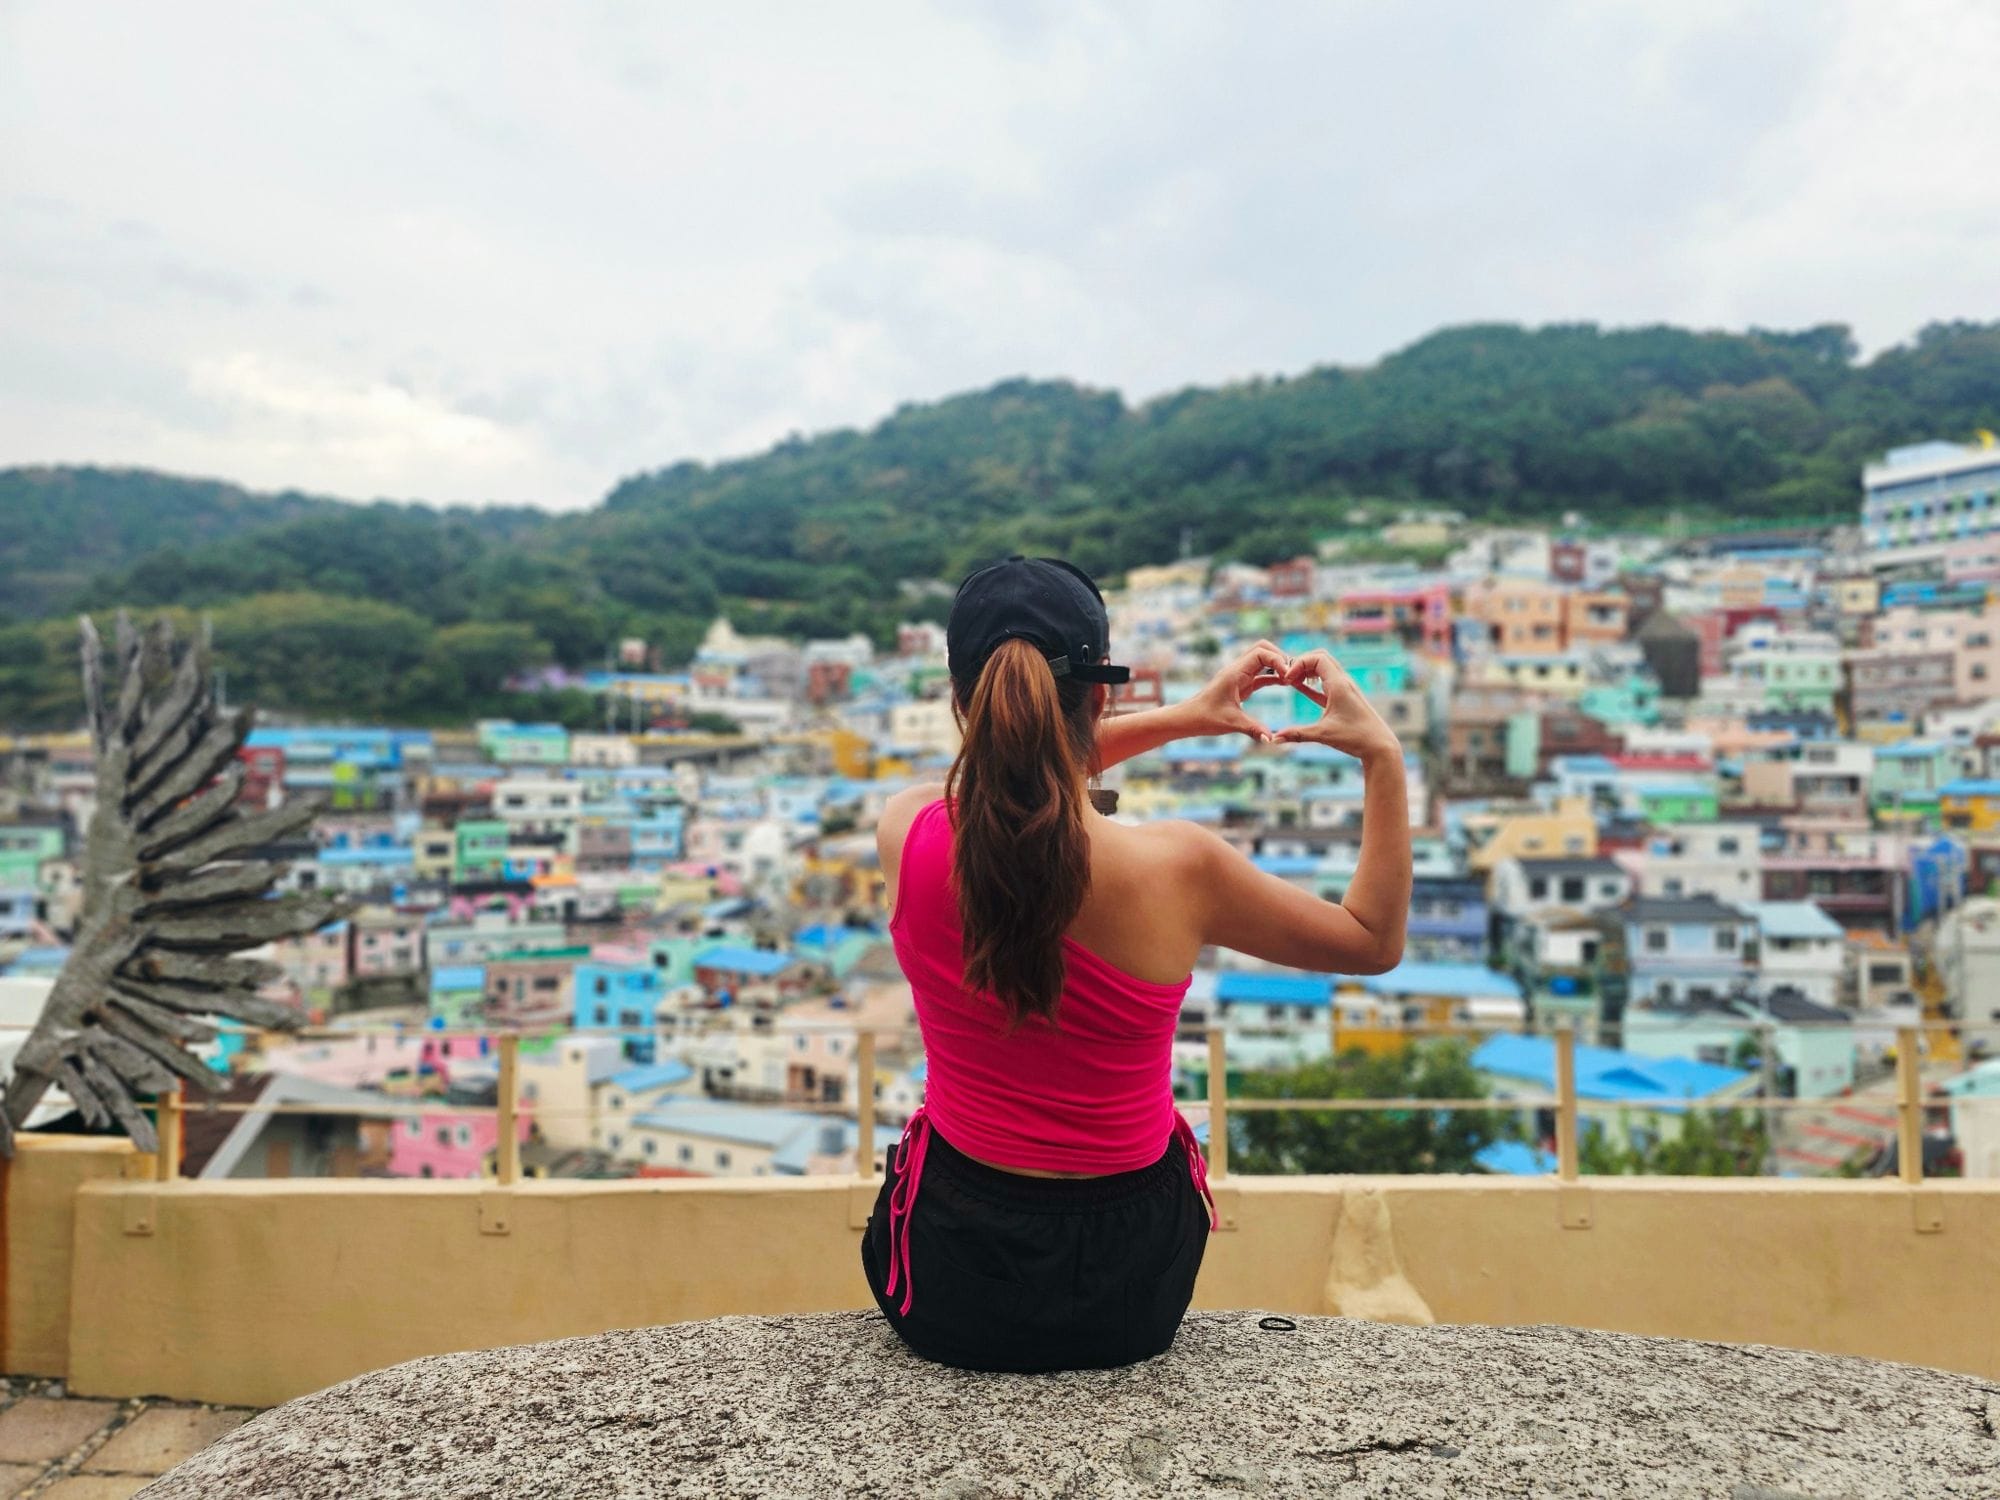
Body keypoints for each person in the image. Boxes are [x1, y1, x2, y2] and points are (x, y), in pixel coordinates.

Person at [859, 555, 1412, 1373]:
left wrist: (1189, 716)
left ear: (960, 701)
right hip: (1133, 1284)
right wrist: (1384, 760)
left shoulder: (905, 833)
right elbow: (1372, 938)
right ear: (1101, 694)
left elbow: (1016, 775)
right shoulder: (1181, 870)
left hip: (950, 1274)